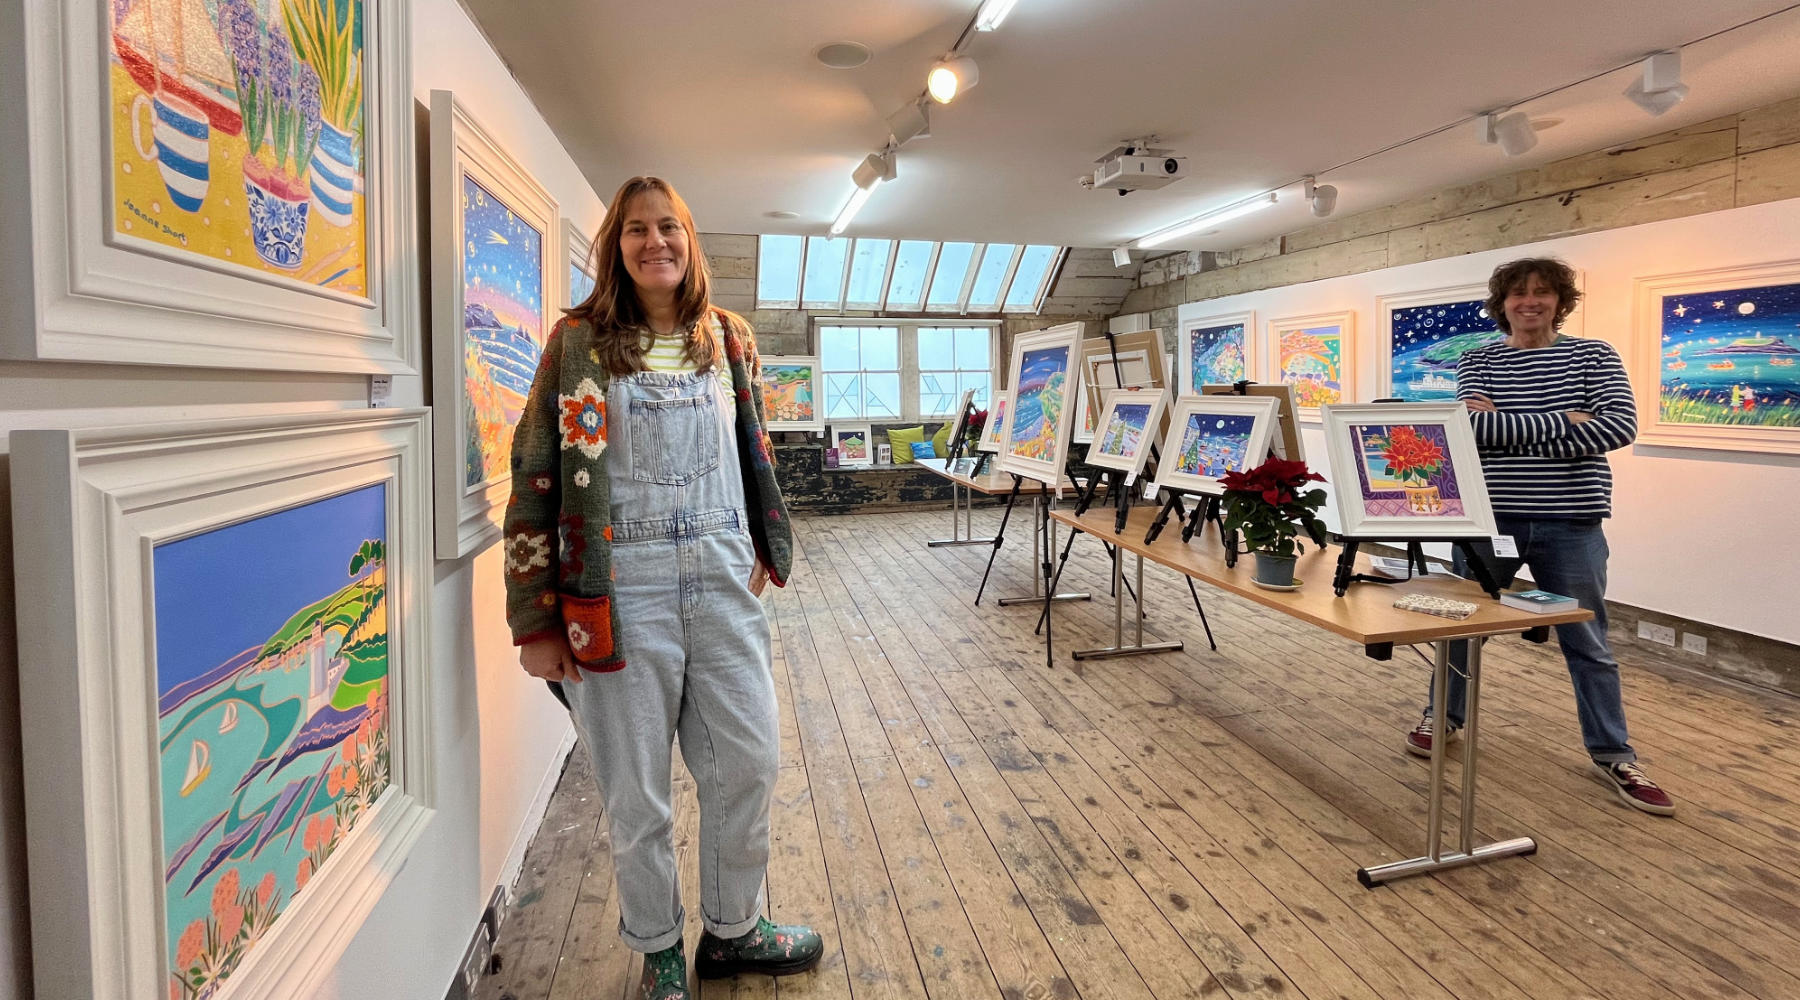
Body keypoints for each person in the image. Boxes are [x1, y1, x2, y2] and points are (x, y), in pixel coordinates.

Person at [503, 176, 824, 999]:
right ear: (616, 245)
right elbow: (536, 472)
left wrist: (761, 532)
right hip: (618, 587)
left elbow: (756, 445)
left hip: (720, 581)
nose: (656, 243)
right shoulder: (576, 343)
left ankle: (734, 928)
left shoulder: (729, 338)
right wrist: (537, 617)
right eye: (638, 229)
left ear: (690, 240)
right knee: (635, 791)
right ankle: (660, 951)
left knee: (748, 761)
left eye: (670, 227)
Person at [1403, 257, 1675, 817]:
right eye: (1520, 293)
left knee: (1588, 640)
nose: (1531, 302)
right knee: (1458, 628)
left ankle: (1614, 753)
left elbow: (1618, 427)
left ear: (1561, 300)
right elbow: (1472, 428)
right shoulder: (1479, 358)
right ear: (1501, 303)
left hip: (1571, 518)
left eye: (1544, 292)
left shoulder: (1592, 355)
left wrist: (1512, 419)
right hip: (1488, 519)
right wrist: (1566, 421)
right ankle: (1444, 716)